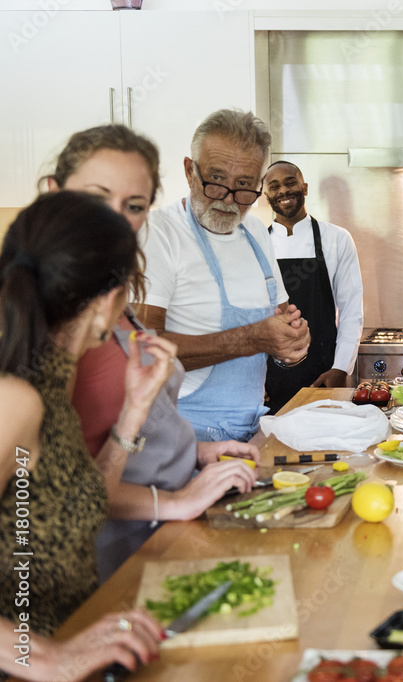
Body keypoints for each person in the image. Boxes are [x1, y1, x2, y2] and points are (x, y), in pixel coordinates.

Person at [48, 125, 258, 581]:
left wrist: (196, 452)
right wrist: (178, 500)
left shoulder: (111, 294)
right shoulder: (46, 314)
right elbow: (55, 490)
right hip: (103, 555)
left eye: (135, 206)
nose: (115, 221)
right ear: (53, 193)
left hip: (161, 529)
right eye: (97, 196)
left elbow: (113, 429)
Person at [0, 192, 167, 680]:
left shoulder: (50, 377)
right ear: (104, 303)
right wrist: (42, 657)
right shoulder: (17, 399)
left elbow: (74, 500)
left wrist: (134, 410)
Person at [140, 109, 311, 442]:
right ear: (190, 171)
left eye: (244, 185)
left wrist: (291, 344)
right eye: (216, 180)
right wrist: (252, 339)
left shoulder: (256, 233)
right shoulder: (157, 233)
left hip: (250, 430)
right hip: (179, 437)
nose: (228, 200)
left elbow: (280, 322)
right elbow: (143, 352)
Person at [262, 160, 364, 411]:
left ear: (304, 187)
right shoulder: (257, 245)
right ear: (267, 197)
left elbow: (351, 308)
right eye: (274, 187)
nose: (283, 191)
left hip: (324, 374)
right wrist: (250, 378)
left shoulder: (337, 238)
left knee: (324, 446)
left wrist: (340, 368)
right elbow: (249, 316)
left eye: (290, 182)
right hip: (268, 377)